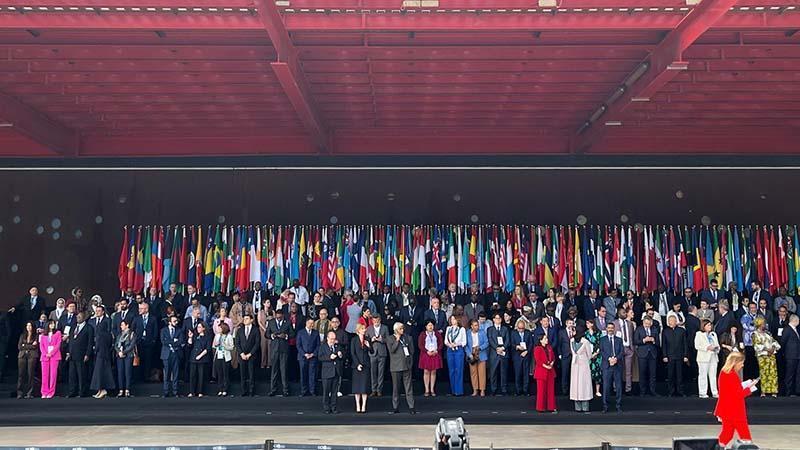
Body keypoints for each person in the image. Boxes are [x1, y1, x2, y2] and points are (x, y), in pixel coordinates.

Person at [715, 352, 756, 448]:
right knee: (745, 436)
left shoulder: (725, 373)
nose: (742, 365)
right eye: (741, 363)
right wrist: (750, 388)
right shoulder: (731, 375)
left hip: (726, 409)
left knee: (727, 434)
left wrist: (745, 386)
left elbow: (732, 390)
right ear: (735, 362)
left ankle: (717, 447)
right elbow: (738, 394)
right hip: (734, 410)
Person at [387, 322, 416, 414]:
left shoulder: (408, 338)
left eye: (403, 328)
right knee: (396, 388)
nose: (402, 330)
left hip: (406, 365)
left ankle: (411, 407)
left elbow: (412, 351)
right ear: (395, 330)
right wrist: (397, 340)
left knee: (408, 387)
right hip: (395, 367)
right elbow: (392, 350)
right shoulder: (390, 338)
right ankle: (395, 407)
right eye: (400, 329)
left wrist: (410, 363)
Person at [752, 316, 780, 397]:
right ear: (759, 324)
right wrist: (767, 349)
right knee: (764, 373)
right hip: (762, 356)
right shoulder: (755, 334)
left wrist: (773, 348)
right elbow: (756, 345)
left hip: (771, 355)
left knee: (773, 373)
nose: (765, 325)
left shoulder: (768, 333)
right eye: (763, 324)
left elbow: (775, 342)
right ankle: (763, 391)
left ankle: (774, 391)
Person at [267, 309, 293, 397]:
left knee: (284, 370)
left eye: (280, 317)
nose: (278, 318)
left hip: (284, 349)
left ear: (283, 316)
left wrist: (285, 336)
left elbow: (292, 334)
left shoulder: (288, 322)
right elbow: (266, 334)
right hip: (274, 349)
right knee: (274, 370)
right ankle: (272, 390)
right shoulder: (271, 322)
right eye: (277, 317)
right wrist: (272, 336)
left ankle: (285, 390)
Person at [66, 312, 93, 397]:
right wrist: (68, 351)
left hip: (81, 354)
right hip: (72, 354)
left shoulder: (89, 328)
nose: (77, 318)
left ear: (84, 318)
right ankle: (72, 392)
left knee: (81, 375)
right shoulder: (73, 327)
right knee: (72, 375)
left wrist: (87, 354)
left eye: (79, 317)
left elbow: (90, 342)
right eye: (77, 317)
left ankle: (82, 392)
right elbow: (70, 340)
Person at [662, 314, 689, 396]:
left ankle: (680, 391)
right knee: (670, 375)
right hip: (669, 356)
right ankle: (671, 391)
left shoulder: (682, 330)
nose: (671, 322)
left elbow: (685, 344)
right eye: (669, 321)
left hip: (680, 356)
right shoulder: (665, 331)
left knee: (680, 375)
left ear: (676, 321)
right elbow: (664, 345)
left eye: (673, 321)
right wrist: (664, 356)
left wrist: (686, 355)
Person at [599, 322, 623, 413]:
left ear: (614, 329)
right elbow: (602, 351)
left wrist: (616, 359)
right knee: (606, 387)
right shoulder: (602, 340)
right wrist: (609, 359)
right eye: (609, 328)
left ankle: (618, 405)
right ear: (606, 329)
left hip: (617, 365)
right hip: (607, 366)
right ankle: (605, 406)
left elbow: (621, 352)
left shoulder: (619, 340)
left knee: (618, 386)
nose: (610, 329)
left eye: (612, 328)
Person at [90, 315, 116, 399]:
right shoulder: (109, 335)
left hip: (100, 355)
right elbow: (110, 345)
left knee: (99, 373)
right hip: (107, 355)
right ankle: (100, 391)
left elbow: (97, 346)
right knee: (105, 372)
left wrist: (95, 350)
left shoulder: (99, 334)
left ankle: (102, 390)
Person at [634, 315, 660, 396]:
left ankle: (653, 390)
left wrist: (654, 340)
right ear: (643, 322)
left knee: (653, 374)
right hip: (642, 354)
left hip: (652, 354)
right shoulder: (639, 329)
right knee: (642, 373)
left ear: (651, 323)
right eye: (646, 324)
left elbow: (658, 343)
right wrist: (644, 340)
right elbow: (635, 341)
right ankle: (642, 391)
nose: (647, 325)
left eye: (649, 324)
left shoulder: (654, 329)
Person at [235, 313, 260, 397]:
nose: (245, 320)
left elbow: (257, 343)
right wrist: (241, 353)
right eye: (244, 319)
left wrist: (250, 354)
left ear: (251, 320)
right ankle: (243, 390)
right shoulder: (240, 330)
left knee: (251, 373)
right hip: (242, 355)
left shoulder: (255, 330)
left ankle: (251, 390)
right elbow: (237, 343)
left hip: (251, 355)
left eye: (247, 319)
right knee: (242, 373)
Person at [160, 315, 185, 397]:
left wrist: (171, 342)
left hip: (176, 354)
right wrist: (174, 341)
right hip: (166, 354)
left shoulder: (179, 330)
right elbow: (163, 341)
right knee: (166, 373)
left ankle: (175, 391)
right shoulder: (163, 330)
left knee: (176, 373)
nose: (176, 322)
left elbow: (181, 341)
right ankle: (166, 391)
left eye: (176, 321)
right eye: (174, 321)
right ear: (169, 322)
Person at [133, 302, 159, 382]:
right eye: (139, 308)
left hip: (149, 343)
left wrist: (153, 340)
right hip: (139, 343)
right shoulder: (136, 318)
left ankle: (147, 377)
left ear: (146, 309)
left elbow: (155, 330)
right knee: (139, 360)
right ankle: (139, 378)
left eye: (141, 309)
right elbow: (133, 330)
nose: (139, 310)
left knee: (148, 361)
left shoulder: (153, 318)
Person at [570, 328, 594, 412]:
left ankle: (578, 407)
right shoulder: (585, 341)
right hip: (583, 364)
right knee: (583, 385)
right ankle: (584, 407)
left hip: (576, 364)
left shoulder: (572, 340)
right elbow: (589, 355)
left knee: (577, 384)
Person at [318, 331, 343, 414]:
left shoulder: (337, 346)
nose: (333, 340)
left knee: (334, 392)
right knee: (326, 391)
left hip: (336, 372)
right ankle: (326, 408)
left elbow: (342, 357)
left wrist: (340, 355)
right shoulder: (323, 347)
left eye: (334, 339)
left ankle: (334, 407)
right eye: (331, 339)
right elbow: (320, 357)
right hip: (327, 372)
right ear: (327, 338)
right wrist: (329, 357)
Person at [695, 319, 720, 398]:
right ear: (704, 326)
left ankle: (714, 392)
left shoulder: (713, 334)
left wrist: (716, 348)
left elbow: (717, 344)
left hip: (713, 357)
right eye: (708, 325)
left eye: (710, 325)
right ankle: (702, 392)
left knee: (713, 375)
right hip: (703, 357)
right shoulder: (699, 334)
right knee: (703, 375)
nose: (710, 326)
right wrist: (707, 347)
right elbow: (697, 345)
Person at [366, 313, 389, 397]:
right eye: (374, 321)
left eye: (377, 320)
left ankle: (379, 390)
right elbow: (366, 340)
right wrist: (371, 340)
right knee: (373, 372)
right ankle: (373, 390)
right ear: (372, 321)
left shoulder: (385, 328)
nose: (376, 322)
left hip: (382, 352)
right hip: (372, 353)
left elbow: (388, 339)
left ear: (380, 320)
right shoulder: (369, 328)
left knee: (381, 373)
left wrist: (381, 340)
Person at [487, 313, 510, 396]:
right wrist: (497, 348)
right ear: (493, 319)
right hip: (494, 353)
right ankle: (493, 389)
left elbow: (508, 340)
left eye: (499, 318)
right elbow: (490, 340)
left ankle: (504, 389)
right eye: (496, 318)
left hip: (503, 352)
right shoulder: (490, 329)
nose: (498, 320)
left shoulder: (505, 329)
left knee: (504, 372)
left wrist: (502, 348)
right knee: (493, 372)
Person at [418, 319, 443, 396]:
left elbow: (441, 343)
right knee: (426, 371)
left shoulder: (437, 334)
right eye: (429, 325)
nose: (430, 327)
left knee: (433, 372)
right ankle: (426, 389)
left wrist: (437, 350)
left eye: (432, 325)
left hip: (435, 354)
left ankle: (432, 389)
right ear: (426, 326)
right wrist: (426, 351)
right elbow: (420, 345)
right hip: (426, 354)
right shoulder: (422, 334)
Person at [350, 323, 372, 413]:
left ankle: (363, 406)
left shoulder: (367, 339)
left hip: (366, 365)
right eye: (362, 329)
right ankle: (358, 405)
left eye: (364, 328)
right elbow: (352, 353)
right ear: (358, 330)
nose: (364, 330)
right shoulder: (354, 340)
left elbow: (372, 351)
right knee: (357, 387)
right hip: (356, 366)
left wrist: (369, 346)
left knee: (364, 387)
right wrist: (357, 364)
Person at [533, 332, 556, 413]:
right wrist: (546, 366)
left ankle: (551, 407)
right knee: (541, 391)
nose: (547, 340)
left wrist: (552, 363)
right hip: (541, 371)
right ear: (541, 340)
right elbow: (538, 360)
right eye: (545, 338)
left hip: (550, 371)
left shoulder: (549, 347)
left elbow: (553, 357)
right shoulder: (537, 348)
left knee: (550, 390)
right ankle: (540, 407)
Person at [187, 321, 212, 397]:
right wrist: (190, 337)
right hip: (193, 357)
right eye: (197, 327)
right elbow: (189, 345)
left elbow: (207, 349)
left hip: (202, 358)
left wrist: (200, 356)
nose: (198, 329)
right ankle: (192, 391)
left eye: (200, 327)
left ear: (204, 328)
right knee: (192, 375)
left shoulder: (207, 337)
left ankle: (200, 391)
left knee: (201, 376)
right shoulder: (195, 336)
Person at [296, 317, 320, 397]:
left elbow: (318, 345)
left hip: (313, 357)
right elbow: (298, 345)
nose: (311, 325)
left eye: (313, 323)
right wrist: (304, 354)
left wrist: (313, 354)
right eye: (310, 323)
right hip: (303, 357)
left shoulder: (316, 333)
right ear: (306, 323)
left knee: (312, 374)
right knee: (303, 374)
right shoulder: (300, 332)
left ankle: (312, 391)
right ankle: (303, 391)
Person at [39, 319, 62, 399]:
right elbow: (41, 346)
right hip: (45, 356)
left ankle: (51, 392)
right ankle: (44, 392)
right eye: (51, 324)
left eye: (53, 324)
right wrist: (46, 354)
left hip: (54, 356)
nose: (53, 325)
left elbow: (58, 344)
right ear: (48, 325)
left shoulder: (58, 333)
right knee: (44, 375)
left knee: (53, 375)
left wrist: (51, 353)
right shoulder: (43, 335)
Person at [444, 314, 466, 396]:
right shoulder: (448, 328)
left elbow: (464, 342)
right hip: (450, 350)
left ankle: (459, 391)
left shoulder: (462, 329)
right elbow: (445, 340)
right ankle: (453, 390)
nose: (452, 321)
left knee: (458, 370)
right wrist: (449, 345)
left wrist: (456, 344)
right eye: (451, 319)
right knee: (451, 370)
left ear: (458, 320)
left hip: (458, 350)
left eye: (454, 319)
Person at [510, 318, 533, 396]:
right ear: (517, 327)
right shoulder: (513, 333)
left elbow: (531, 344)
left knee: (526, 374)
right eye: (519, 328)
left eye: (522, 328)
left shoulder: (528, 333)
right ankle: (518, 390)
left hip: (526, 355)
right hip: (517, 355)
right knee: (518, 374)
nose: (521, 330)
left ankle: (526, 390)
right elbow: (511, 343)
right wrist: (517, 346)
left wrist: (527, 351)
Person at [114, 320, 137, 397]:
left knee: (128, 373)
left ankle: (127, 390)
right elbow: (116, 345)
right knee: (120, 373)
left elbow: (131, 345)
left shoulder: (132, 334)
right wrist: (119, 352)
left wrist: (124, 352)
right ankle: (121, 390)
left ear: (127, 325)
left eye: (122, 325)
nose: (121, 326)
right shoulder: (119, 335)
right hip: (120, 355)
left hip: (128, 355)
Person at [465, 319, 488, 396]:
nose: (477, 327)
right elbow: (466, 345)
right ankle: (475, 389)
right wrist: (469, 354)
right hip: (471, 354)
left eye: (477, 325)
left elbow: (486, 342)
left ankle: (482, 390)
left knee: (482, 373)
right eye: (475, 325)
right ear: (471, 326)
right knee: (473, 373)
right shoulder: (468, 333)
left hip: (481, 353)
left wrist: (480, 348)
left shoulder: (482, 332)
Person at [17, 321, 39, 399]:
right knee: (21, 374)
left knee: (31, 374)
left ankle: (30, 392)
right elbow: (19, 346)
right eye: (27, 325)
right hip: (22, 355)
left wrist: (25, 345)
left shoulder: (36, 335)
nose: (28, 327)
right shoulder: (22, 335)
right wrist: (30, 345)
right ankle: (20, 393)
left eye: (30, 326)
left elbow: (35, 346)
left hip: (32, 355)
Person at [212, 322, 234, 396]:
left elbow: (231, 347)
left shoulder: (229, 336)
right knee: (219, 373)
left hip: (226, 357)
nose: (218, 329)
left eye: (220, 328)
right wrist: (216, 345)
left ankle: (225, 389)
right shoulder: (217, 335)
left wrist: (225, 346)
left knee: (225, 373)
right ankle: (220, 389)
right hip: (218, 355)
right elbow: (214, 345)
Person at [585, 319, 602, 397]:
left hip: (597, 355)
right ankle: (588, 390)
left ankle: (597, 390)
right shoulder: (585, 333)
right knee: (588, 373)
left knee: (597, 373)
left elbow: (600, 343)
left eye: (588, 323)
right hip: (588, 355)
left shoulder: (598, 333)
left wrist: (596, 353)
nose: (587, 325)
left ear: (592, 324)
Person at [257, 298, 274, 370]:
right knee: (263, 347)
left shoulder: (272, 312)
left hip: (270, 332)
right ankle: (263, 363)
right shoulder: (260, 312)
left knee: (270, 347)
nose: (269, 304)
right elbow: (259, 322)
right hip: (262, 331)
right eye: (267, 302)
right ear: (264, 303)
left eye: (269, 302)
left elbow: (274, 321)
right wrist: (264, 329)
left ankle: (269, 363)